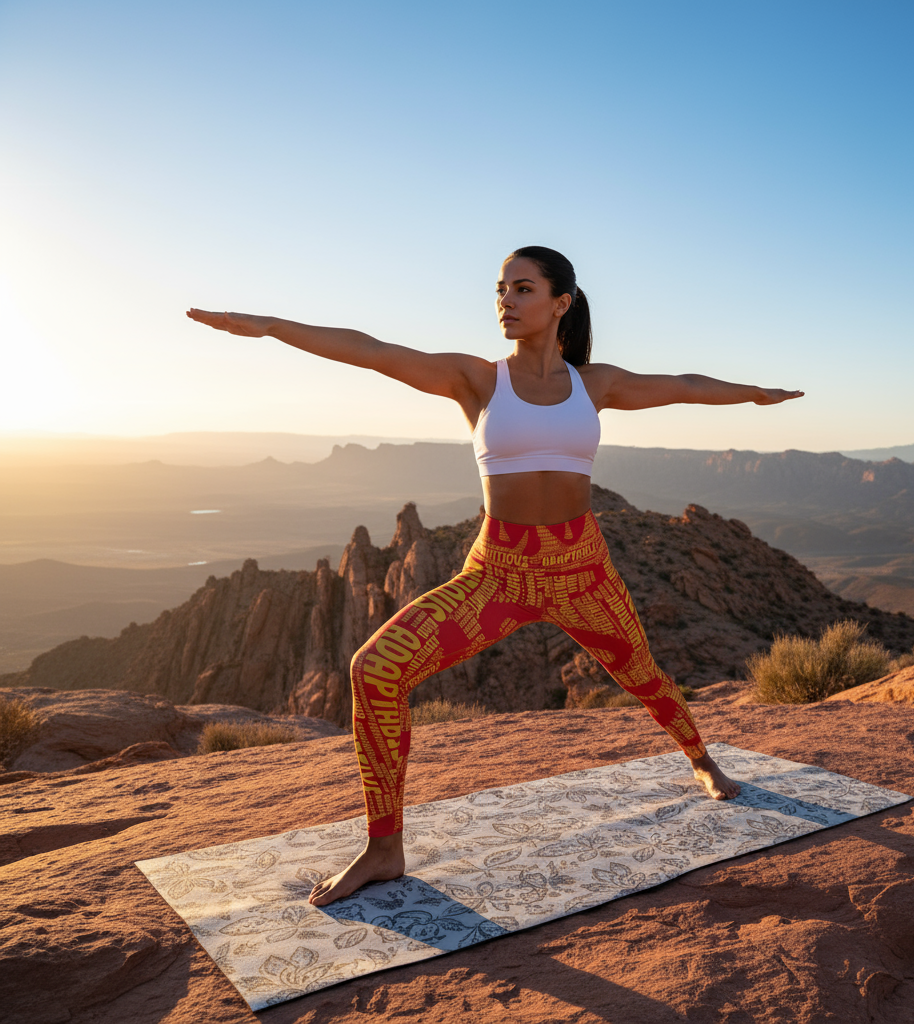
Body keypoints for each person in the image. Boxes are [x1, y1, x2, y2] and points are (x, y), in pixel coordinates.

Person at [187, 245, 804, 907]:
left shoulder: (596, 385)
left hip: (582, 575)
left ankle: (702, 760)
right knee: (375, 670)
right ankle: (384, 846)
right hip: (497, 579)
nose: (505, 300)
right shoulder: (477, 379)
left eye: (523, 288)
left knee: (644, 677)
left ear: (561, 302)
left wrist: (755, 395)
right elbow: (371, 349)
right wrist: (273, 326)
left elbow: (683, 384)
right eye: (500, 289)